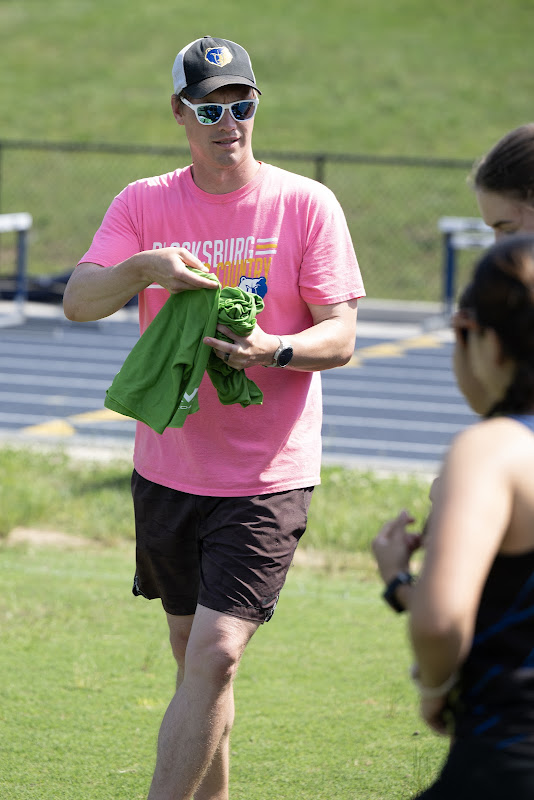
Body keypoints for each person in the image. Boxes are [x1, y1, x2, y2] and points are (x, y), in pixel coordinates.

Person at [63, 35, 365, 800]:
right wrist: (144, 268)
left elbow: (341, 335)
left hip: (266, 476)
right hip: (169, 469)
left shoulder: (306, 203)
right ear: (179, 113)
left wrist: (274, 349)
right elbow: (79, 300)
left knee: (218, 654)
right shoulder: (143, 203)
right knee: (195, 664)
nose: (228, 121)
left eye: (242, 104)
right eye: (209, 108)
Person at [372, 233, 534, 799]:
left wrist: (435, 686)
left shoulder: (493, 451)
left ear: (490, 342)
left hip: (508, 755)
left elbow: (440, 624)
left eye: (461, 332)